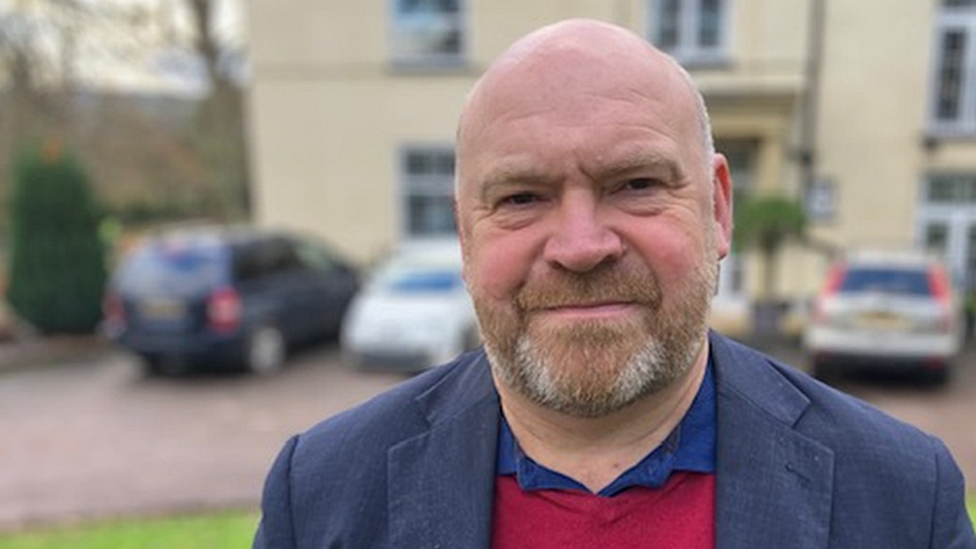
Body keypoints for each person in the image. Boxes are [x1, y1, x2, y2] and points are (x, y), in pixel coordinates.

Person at [253, 19, 976, 549]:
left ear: (717, 208)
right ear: (467, 236)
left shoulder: (903, 498)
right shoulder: (319, 492)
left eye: (634, 183)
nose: (580, 246)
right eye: (521, 197)